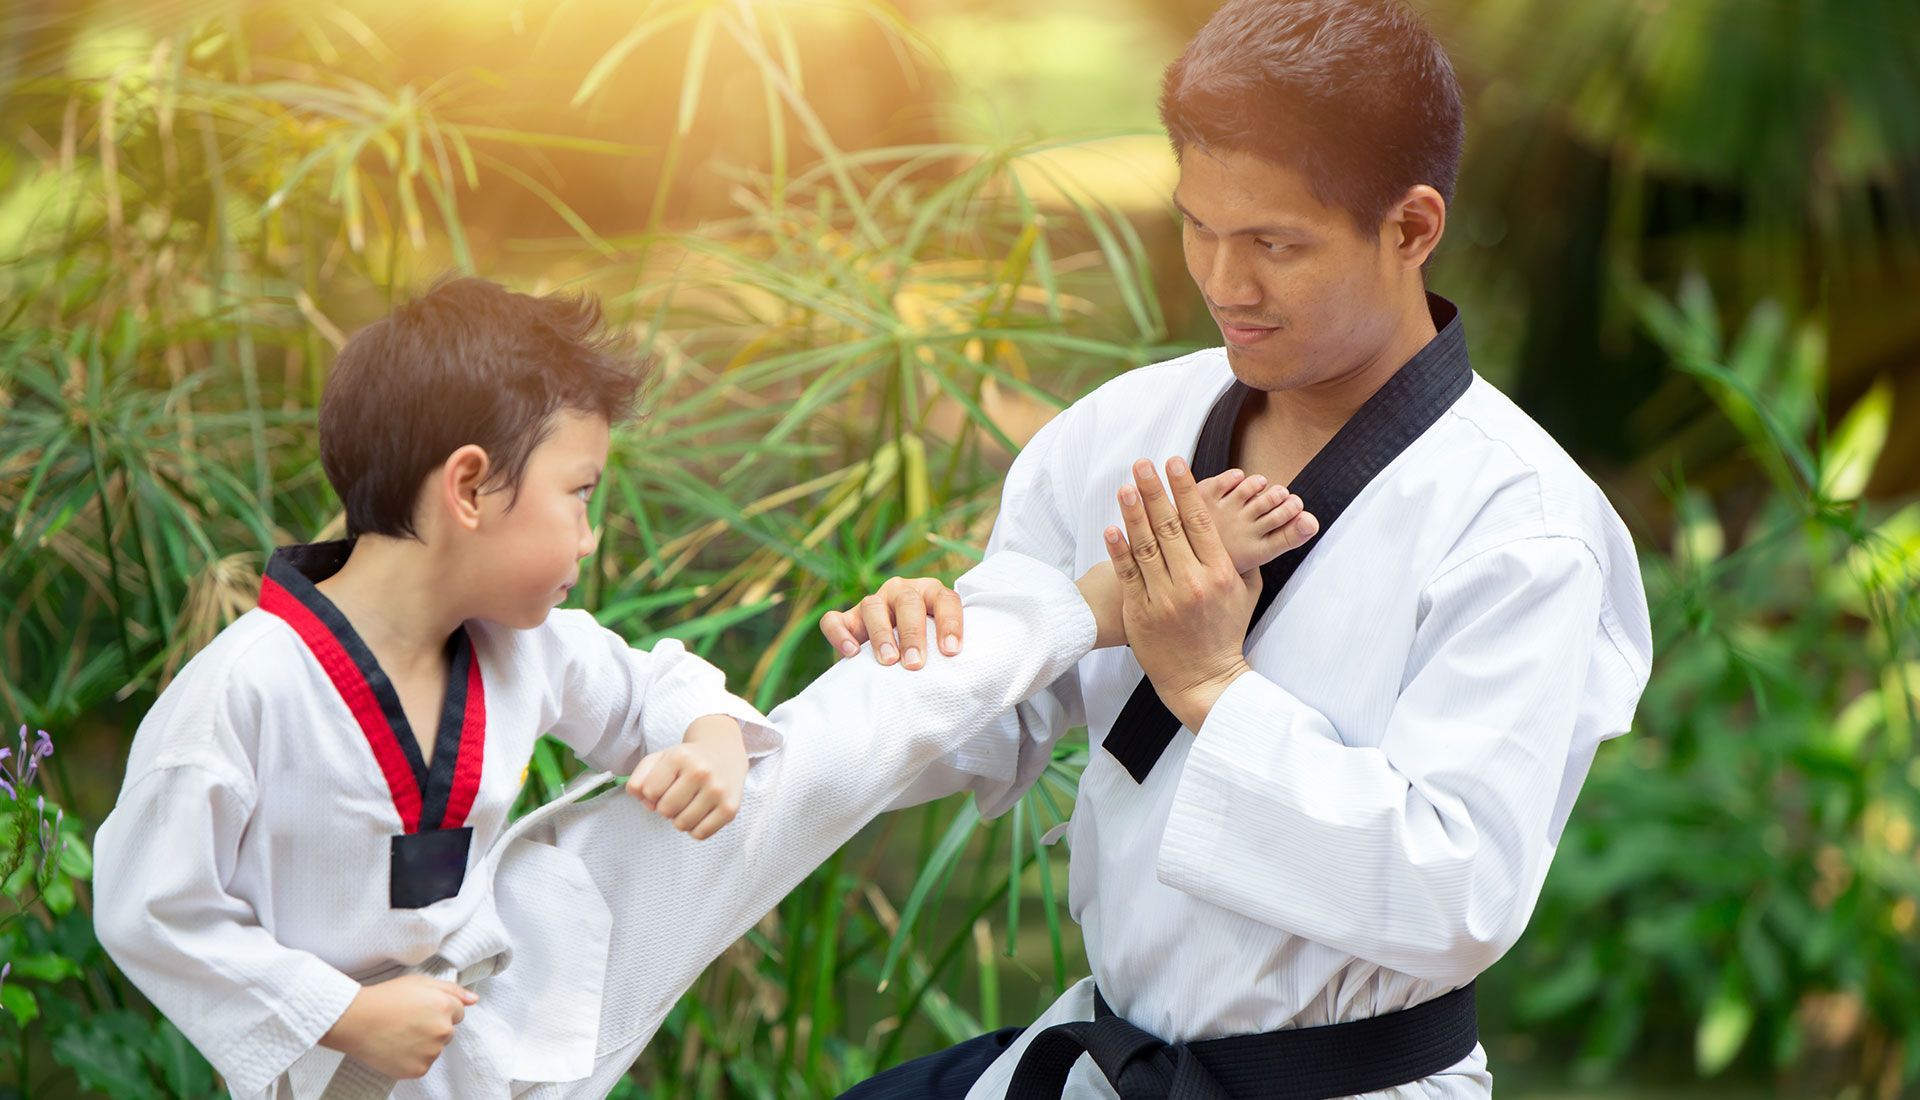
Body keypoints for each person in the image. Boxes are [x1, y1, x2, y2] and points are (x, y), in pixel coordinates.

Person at [91, 277, 1316, 1099]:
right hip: (385, 1072)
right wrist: (336, 1014)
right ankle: (1080, 604)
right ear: (469, 486)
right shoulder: (244, 689)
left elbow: (659, 686)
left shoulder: (528, 644)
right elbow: (148, 906)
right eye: (578, 494)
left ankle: (1084, 605)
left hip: (530, 983)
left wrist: (715, 735)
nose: (591, 535)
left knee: (824, 746)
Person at [821, 1, 1655, 1097]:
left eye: (1274, 242)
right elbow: (976, 742)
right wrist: (919, 649)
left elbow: (1455, 897)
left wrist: (1213, 681)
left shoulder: (1521, 520)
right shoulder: (1122, 428)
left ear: (1410, 227)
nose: (1223, 281)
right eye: (1198, 226)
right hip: (1108, 1058)